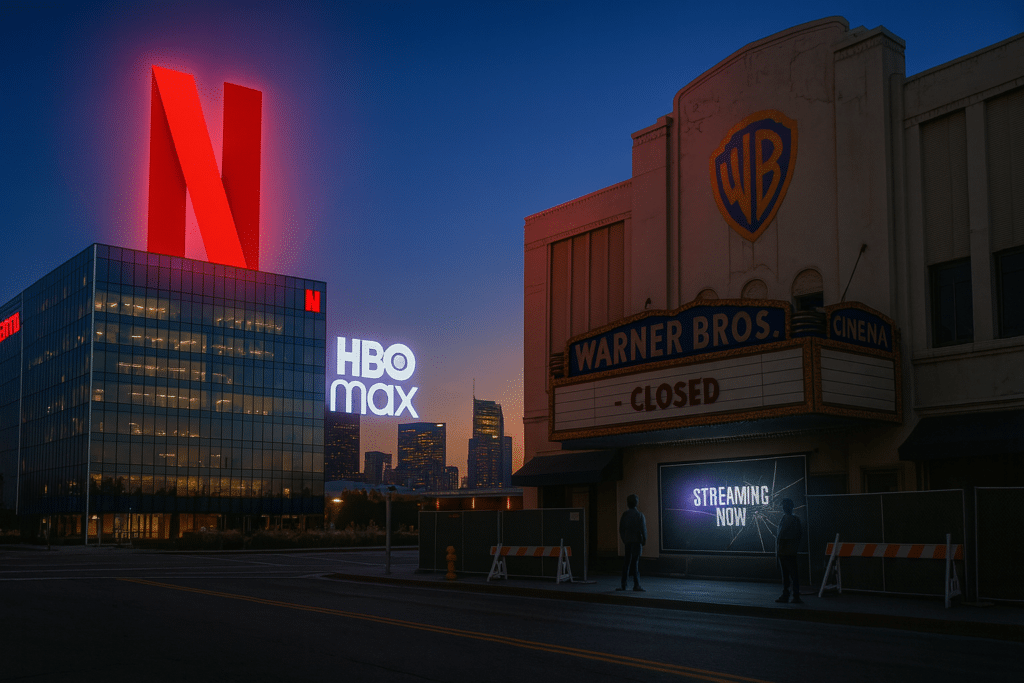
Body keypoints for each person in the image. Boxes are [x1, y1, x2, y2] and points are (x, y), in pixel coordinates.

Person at [775, 498, 803, 604]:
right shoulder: (792, 519)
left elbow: (782, 536)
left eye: (785, 505)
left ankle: (792, 595)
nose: (783, 508)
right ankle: (791, 595)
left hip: (787, 552)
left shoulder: (790, 520)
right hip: (787, 552)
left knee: (790, 575)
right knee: (789, 575)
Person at [618, 493, 647, 592]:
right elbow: (643, 530)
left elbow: (621, 529)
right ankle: (636, 585)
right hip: (637, 541)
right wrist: (644, 540)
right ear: (636, 503)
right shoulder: (639, 515)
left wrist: (624, 539)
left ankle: (623, 585)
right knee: (635, 563)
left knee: (626, 563)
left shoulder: (625, 515)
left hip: (628, 542)